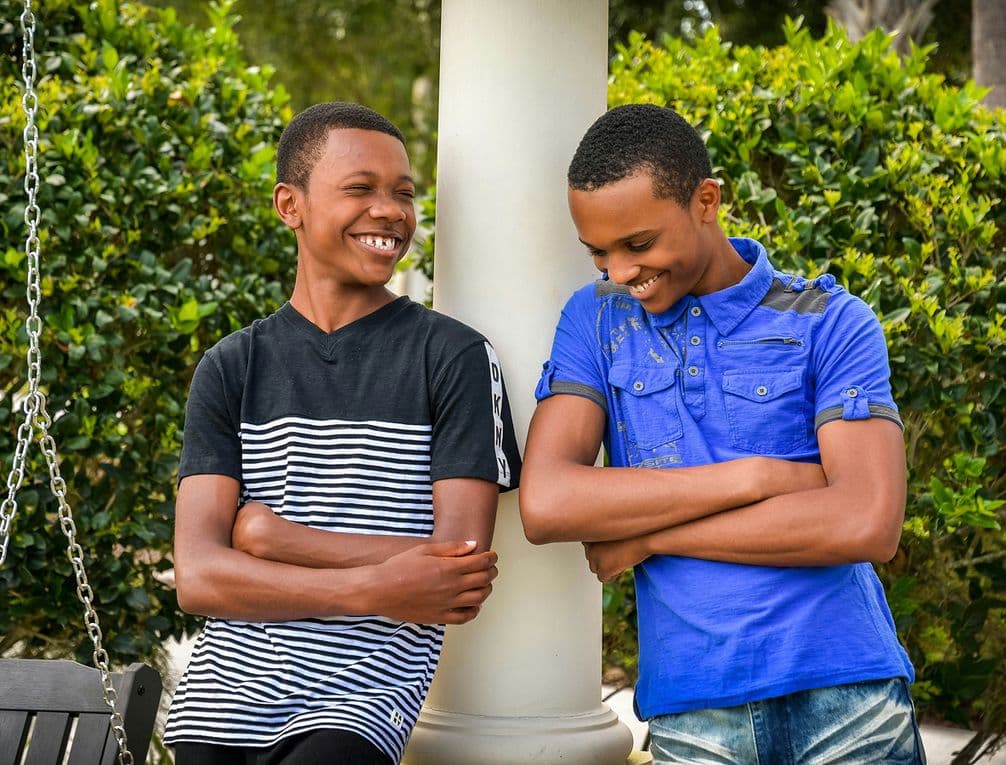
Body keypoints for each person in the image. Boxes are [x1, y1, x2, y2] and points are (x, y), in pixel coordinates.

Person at [520, 103, 924, 764]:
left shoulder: (831, 320)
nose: (620, 271)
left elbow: (866, 523)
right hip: (693, 709)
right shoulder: (597, 320)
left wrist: (649, 534)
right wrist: (756, 476)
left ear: (706, 200)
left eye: (639, 244)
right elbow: (548, 501)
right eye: (600, 252)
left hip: (849, 696)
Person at [164, 102, 522, 765]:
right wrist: (370, 587)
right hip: (217, 704)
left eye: (403, 194)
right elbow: (200, 574)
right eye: (361, 189)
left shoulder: (452, 356)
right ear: (289, 205)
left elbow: (455, 572)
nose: (390, 211)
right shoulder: (232, 366)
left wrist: (277, 539)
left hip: (356, 707)